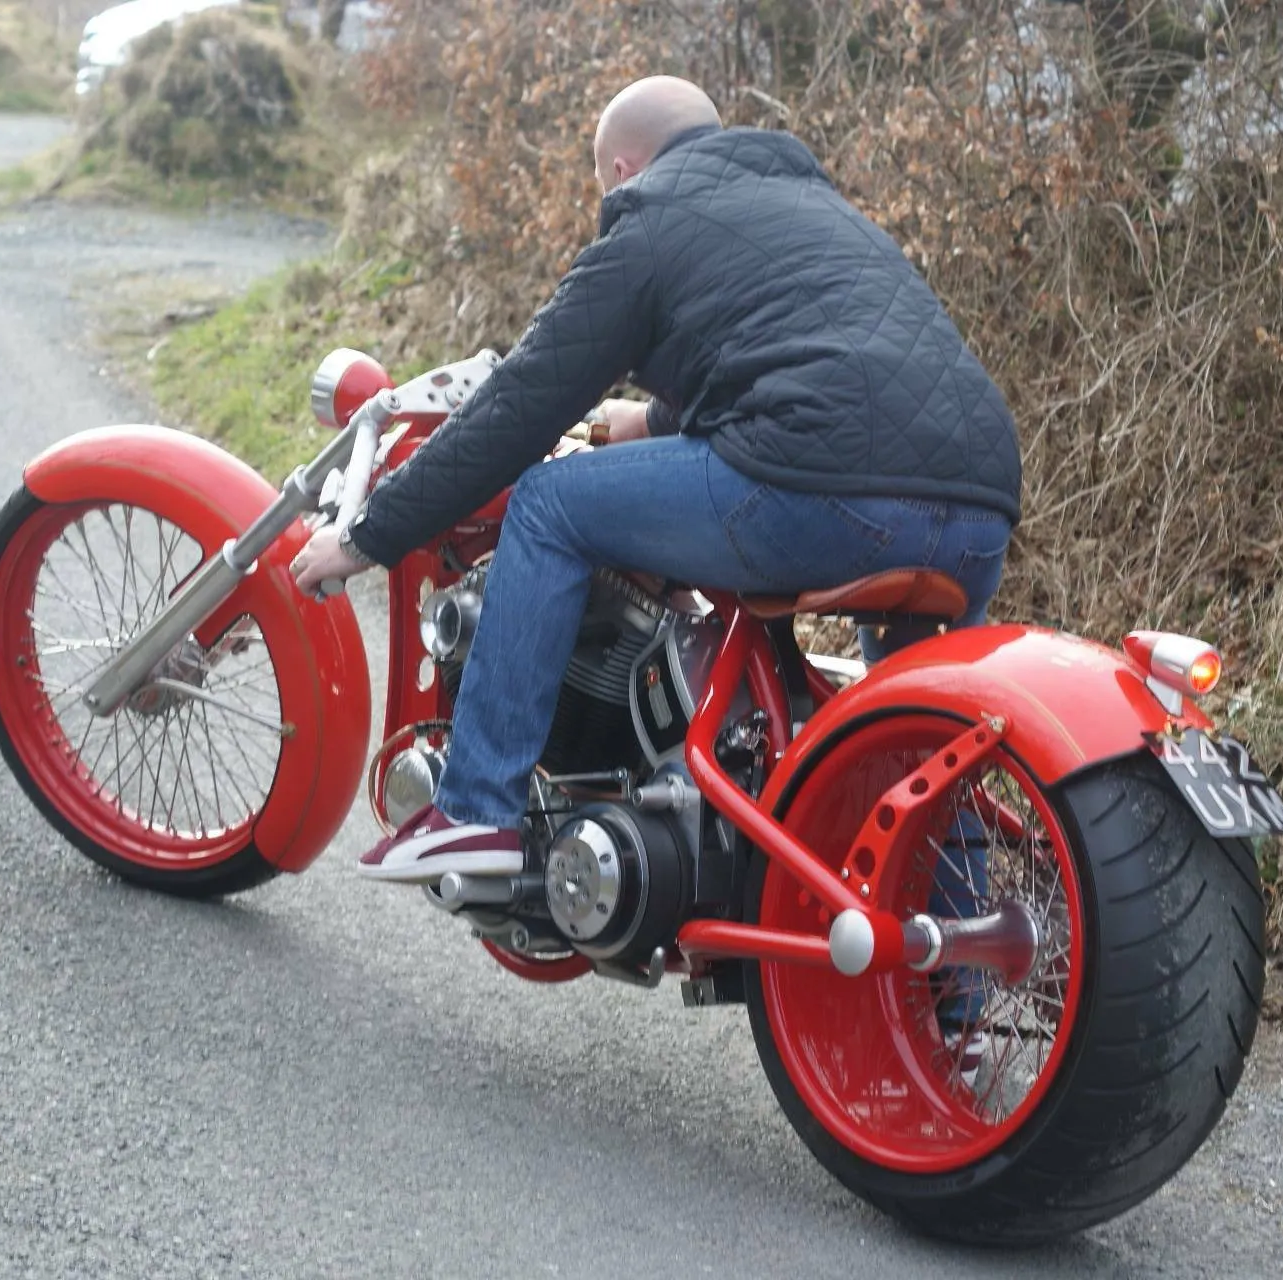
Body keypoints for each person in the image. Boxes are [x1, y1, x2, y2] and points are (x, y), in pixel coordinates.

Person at [289, 76, 1021, 887]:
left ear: (623, 166)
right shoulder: (812, 206)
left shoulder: (648, 216)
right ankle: (954, 989)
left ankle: (475, 812)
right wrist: (656, 421)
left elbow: (521, 405)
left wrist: (367, 534)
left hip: (817, 491)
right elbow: (813, 368)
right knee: (918, 746)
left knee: (548, 505)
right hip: (976, 505)